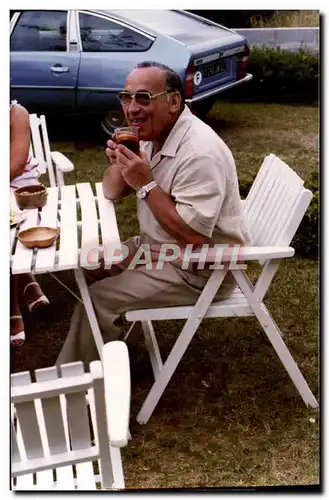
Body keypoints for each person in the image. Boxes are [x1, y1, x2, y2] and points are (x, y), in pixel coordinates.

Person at [56, 61, 252, 367]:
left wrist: (145, 184)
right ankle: (106, 348)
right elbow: (111, 191)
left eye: (143, 98)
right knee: (90, 261)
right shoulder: (152, 135)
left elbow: (193, 236)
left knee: (97, 298)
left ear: (174, 101)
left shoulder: (200, 153)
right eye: (126, 97)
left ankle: (78, 384)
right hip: (155, 249)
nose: (131, 109)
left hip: (195, 268)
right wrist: (123, 165)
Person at [10, 101, 49, 346]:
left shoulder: (16, 113)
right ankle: (26, 281)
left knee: (10, 230)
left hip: (19, 185)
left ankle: (10, 306)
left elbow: (15, 164)